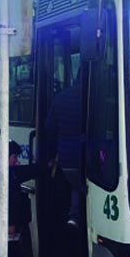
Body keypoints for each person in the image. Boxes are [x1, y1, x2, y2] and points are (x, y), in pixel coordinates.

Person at [44, 73, 83, 227]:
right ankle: (77, 216)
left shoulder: (61, 97)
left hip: (66, 154)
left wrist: (52, 154)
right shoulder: (96, 96)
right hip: (89, 154)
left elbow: (49, 127)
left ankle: (73, 216)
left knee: (75, 185)